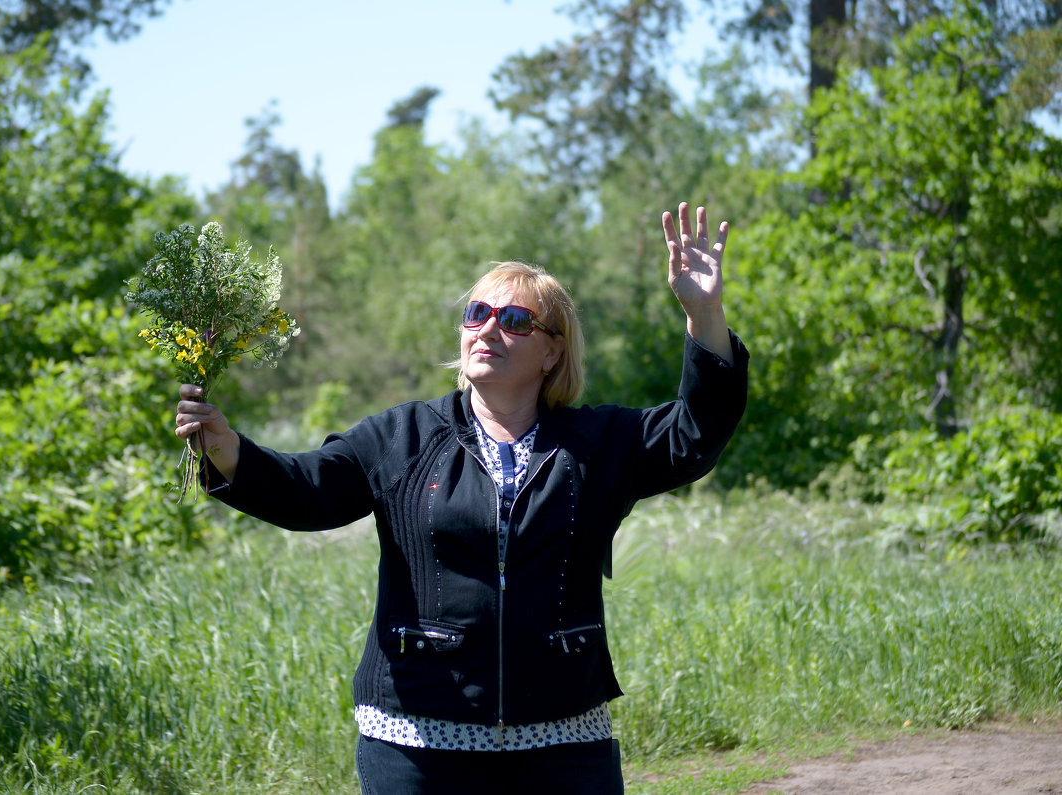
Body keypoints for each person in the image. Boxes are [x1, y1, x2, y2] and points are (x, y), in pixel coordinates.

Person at [174, 203, 749, 794]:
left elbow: (696, 432)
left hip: (563, 740)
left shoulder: (598, 444)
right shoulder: (402, 438)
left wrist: (705, 313)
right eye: (478, 313)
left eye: (516, 319)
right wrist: (227, 450)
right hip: (417, 742)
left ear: (552, 351)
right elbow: (307, 492)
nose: (489, 328)